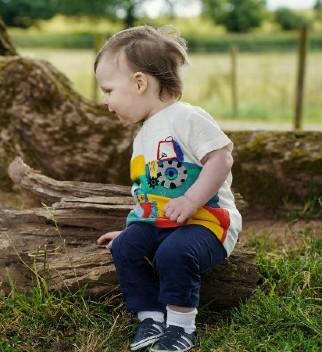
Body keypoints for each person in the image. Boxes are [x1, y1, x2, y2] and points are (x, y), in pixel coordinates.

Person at [94, 25, 242, 352]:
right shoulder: (143, 135)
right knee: (126, 248)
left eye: (108, 90)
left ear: (139, 82)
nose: (106, 102)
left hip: (207, 222)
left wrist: (191, 199)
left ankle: (180, 327)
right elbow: (149, 194)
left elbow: (221, 158)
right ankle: (150, 316)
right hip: (162, 222)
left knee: (173, 253)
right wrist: (134, 228)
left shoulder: (187, 117)